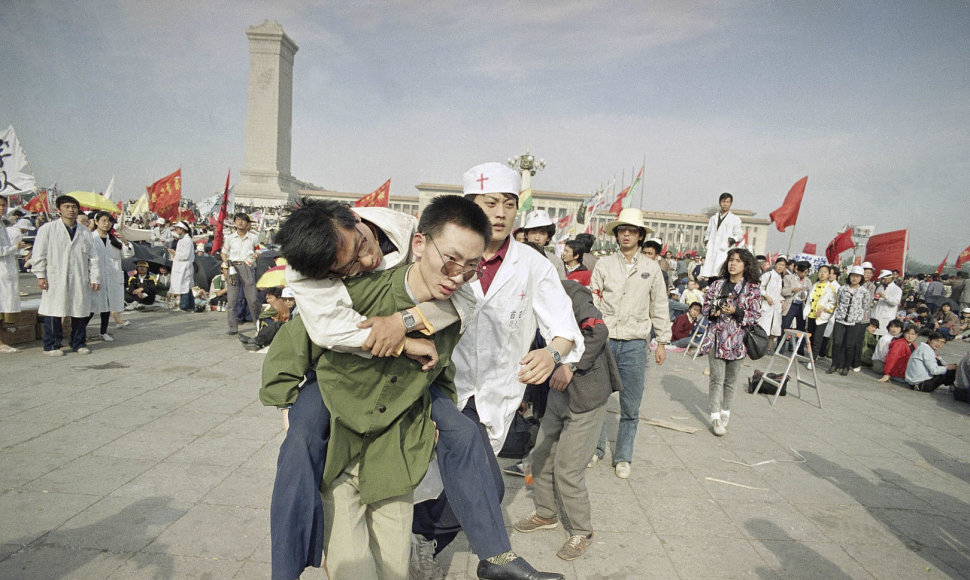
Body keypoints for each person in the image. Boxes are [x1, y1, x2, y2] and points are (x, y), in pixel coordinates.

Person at [512, 279, 622, 561]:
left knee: (568, 469)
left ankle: (582, 531)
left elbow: (599, 331)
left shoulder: (571, 292)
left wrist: (571, 366)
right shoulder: (521, 298)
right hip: (555, 392)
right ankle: (546, 514)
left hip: (585, 393)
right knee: (540, 457)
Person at [588, 207, 670, 478]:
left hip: (635, 343)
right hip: (607, 339)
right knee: (598, 399)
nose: (626, 234)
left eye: (632, 230)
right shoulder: (604, 265)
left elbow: (659, 304)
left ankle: (623, 456)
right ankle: (596, 448)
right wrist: (593, 331)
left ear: (640, 235)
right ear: (616, 234)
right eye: (622, 230)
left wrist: (662, 341)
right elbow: (595, 299)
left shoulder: (651, 269)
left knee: (631, 404)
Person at [699, 248, 761, 436]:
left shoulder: (752, 288)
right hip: (717, 337)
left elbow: (755, 316)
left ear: (746, 265)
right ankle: (715, 417)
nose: (733, 264)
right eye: (731, 260)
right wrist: (713, 312)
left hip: (738, 340)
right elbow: (706, 308)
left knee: (731, 381)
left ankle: (726, 411)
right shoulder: (717, 285)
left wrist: (736, 311)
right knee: (716, 379)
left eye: (738, 261)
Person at [31, 195, 100, 356]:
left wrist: (94, 278)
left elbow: (93, 257)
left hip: (79, 276)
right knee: (54, 310)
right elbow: (39, 254)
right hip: (55, 276)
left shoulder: (84, 231)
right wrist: (40, 275)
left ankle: (78, 343)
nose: (71, 210)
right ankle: (52, 345)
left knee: (79, 311)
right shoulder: (48, 229)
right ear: (59, 209)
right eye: (67, 206)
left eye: (74, 207)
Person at [89, 211, 133, 341]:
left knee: (107, 306)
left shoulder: (114, 240)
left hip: (111, 277)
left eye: (109, 221)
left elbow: (127, 255)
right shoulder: (91, 238)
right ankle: (78, 332)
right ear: (96, 222)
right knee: (91, 306)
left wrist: (124, 241)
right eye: (103, 220)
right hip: (95, 277)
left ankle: (103, 331)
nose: (106, 224)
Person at [221, 212, 261, 334]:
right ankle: (232, 328)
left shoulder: (253, 237)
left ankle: (259, 325)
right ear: (234, 222)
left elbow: (259, 251)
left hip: (247, 267)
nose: (240, 222)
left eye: (243, 220)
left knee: (253, 299)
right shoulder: (230, 238)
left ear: (248, 223)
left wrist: (253, 258)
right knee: (232, 300)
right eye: (238, 220)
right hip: (233, 267)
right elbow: (224, 252)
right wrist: (226, 263)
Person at [829, 265, 872, 375]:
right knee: (837, 342)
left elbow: (866, 306)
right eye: (853, 276)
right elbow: (838, 301)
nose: (855, 279)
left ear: (861, 278)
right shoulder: (842, 289)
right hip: (840, 319)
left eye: (857, 277)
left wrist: (859, 317)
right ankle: (834, 364)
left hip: (854, 321)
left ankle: (846, 366)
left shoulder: (864, 292)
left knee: (849, 345)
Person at [699, 192, 743, 279]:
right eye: (723, 202)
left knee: (721, 273)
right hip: (712, 248)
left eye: (727, 202)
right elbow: (708, 233)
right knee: (711, 275)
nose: (725, 204)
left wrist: (730, 241)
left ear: (730, 203)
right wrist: (707, 241)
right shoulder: (713, 218)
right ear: (720, 203)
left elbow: (739, 235)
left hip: (724, 249)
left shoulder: (735, 219)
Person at [0, 195, 23, 353]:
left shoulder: (3, 224)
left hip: (6, 269)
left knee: (4, 306)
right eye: (0, 205)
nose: (2, 208)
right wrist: (14, 247)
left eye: (4, 205)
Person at [520, 209, 565, 279]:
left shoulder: (555, 262)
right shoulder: (514, 257)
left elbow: (561, 287)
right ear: (526, 235)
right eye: (533, 232)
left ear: (548, 237)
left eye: (542, 233)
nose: (537, 238)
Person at [758, 256, 786, 348]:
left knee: (774, 328)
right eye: (779, 264)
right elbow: (759, 287)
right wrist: (766, 296)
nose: (780, 267)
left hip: (775, 306)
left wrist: (782, 301)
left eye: (783, 265)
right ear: (775, 264)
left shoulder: (780, 278)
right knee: (763, 327)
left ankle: (767, 346)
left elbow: (778, 293)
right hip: (766, 304)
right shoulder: (768, 275)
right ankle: (759, 346)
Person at [168, 221, 196, 312]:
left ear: (182, 230)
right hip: (180, 265)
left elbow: (185, 255)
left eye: (177, 229)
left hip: (185, 265)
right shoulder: (182, 240)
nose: (176, 230)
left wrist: (175, 253)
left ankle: (184, 305)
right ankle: (190, 305)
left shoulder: (187, 240)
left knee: (185, 285)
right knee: (186, 285)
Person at [872, 269, 903, 336]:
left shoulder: (897, 289)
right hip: (877, 313)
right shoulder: (880, 287)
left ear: (890, 278)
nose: (883, 280)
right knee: (873, 333)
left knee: (884, 334)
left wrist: (885, 297)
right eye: (882, 279)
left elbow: (896, 302)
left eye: (884, 279)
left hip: (887, 315)